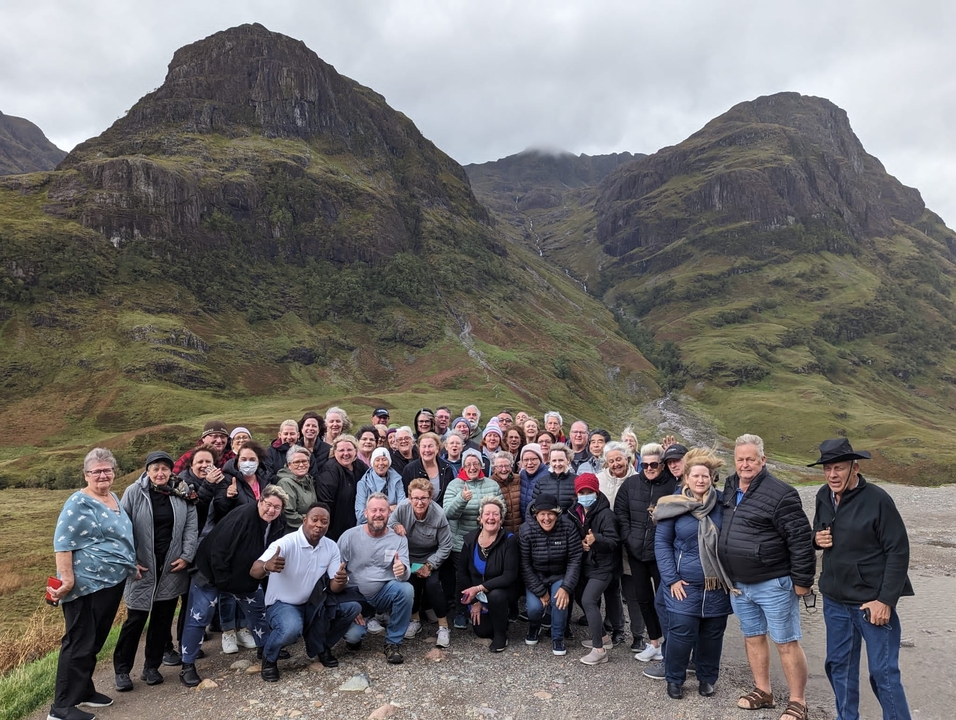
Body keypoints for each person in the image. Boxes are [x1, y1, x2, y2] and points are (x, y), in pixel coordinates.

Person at [810, 439, 913, 720]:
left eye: (839, 468)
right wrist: (816, 540)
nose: (832, 474)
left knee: (883, 673)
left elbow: (898, 551)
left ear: (855, 468)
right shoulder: (823, 495)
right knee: (838, 667)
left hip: (871, 603)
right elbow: (820, 532)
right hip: (835, 601)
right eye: (828, 468)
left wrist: (885, 600)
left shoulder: (878, 500)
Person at [717, 434, 815, 717]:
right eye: (740, 459)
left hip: (774, 582)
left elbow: (800, 540)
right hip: (739, 584)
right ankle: (764, 691)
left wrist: (803, 582)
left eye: (750, 459)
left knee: (786, 642)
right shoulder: (730, 486)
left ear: (763, 460)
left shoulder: (782, 493)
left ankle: (798, 701)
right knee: (753, 637)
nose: (744, 464)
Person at [49, 448, 139, 720]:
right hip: (85, 585)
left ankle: (84, 691)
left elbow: (119, 538)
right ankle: (61, 708)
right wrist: (66, 580)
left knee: (95, 640)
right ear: (86, 474)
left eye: (107, 469)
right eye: (96, 471)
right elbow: (63, 543)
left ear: (114, 472)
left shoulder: (113, 497)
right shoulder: (78, 502)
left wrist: (129, 563)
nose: (102, 474)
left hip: (111, 582)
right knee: (78, 642)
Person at [178, 486, 289, 687]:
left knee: (258, 611)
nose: (271, 510)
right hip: (211, 571)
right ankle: (187, 664)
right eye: (268, 504)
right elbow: (219, 552)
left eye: (277, 507)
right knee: (200, 615)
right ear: (260, 501)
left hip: (245, 575)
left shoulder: (278, 524)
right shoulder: (242, 518)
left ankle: (265, 647)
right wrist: (225, 584)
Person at [113, 451, 198, 692]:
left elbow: (191, 527)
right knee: (135, 620)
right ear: (147, 471)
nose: (160, 473)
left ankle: (151, 667)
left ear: (172, 471)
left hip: (171, 566)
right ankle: (122, 670)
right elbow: (122, 528)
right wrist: (129, 561)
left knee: (162, 620)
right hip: (142, 567)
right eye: (155, 469)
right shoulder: (133, 492)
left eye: (165, 469)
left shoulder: (183, 493)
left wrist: (186, 555)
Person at [654, 448, 734, 700]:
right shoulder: (673, 505)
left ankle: (707, 678)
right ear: (686, 478)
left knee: (712, 633)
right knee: (681, 632)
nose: (700, 480)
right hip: (683, 584)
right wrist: (671, 579)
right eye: (696, 476)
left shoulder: (723, 505)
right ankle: (674, 678)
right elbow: (662, 544)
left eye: (705, 476)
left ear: (712, 478)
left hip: (716, 584)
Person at [251, 503, 363, 681]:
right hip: (283, 603)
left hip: (313, 603)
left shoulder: (331, 546)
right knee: (290, 628)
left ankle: (322, 647)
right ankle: (269, 657)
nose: (319, 525)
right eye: (314, 520)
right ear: (304, 521)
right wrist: (266, 566)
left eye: (324, 521)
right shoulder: (286, 543)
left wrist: (339, 581)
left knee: (352, 607)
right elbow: (254, 570)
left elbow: (334, 587)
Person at [614, 442, 676, 663]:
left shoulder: (673, 485)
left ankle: (670, 643)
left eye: (654, 464)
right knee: (643, 599)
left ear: (662, 465)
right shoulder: (630, 485)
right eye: (645, 464)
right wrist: (628, 538)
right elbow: (620, 513)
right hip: (636, 552)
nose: (649, 468)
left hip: (662, 554)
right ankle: (654, 641)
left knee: (664, 599)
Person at [338, 494, 414, 664]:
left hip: (382, 593)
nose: (378, 514)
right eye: (374, 510)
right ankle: (355, 634)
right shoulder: (349, 536)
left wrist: (402, 570)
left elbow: (406, 573)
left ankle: (393, 643)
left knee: (406, 589)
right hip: (355, 597)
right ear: (366, 513)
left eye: (382, 510)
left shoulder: (398, 538)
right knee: (353, 637)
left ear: (389, 513)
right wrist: (350, 605)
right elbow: (335, 574)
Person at [443, 448, 504, 629]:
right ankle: (461, 611)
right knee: (462, 576)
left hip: (488, 539)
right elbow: (449, 513)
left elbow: (503, 510)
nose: (472, 467)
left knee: (484, 574)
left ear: (481, 465)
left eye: (475, 463)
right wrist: (462, 499)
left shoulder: (491, 484)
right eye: (468, 464)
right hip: (461, 540)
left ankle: (484, 607)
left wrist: (489, 517)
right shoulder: (455, 485)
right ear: (463, 466)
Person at [389, 479, 454, 646]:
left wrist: (430, 565)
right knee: (408, 583)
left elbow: (446, 545)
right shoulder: (402, 508)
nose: (419, 502)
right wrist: (395, 525)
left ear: (430, 498)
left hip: (430, 556)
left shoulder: (438, 515)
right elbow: (389, 525)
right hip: (408, 556)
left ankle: (443, 626)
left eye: (423, 498)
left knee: (432, 584)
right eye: (415, 498)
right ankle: (414, 619)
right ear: (409, 498)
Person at [567, 473, 621, 665]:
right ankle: (604, 638)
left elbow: (614, 542)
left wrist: (596, 539)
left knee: (589, 600)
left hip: (604, 566)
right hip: (585, 564)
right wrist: (581, 543)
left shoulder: (606, 514)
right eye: (582, 492)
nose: (585, 495)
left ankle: (599, 650)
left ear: (596, 492)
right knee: (581, 597)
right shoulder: (574, 511)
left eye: (589, 491)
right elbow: (572, 535)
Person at [519, 493, 582, 656]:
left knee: (560, 602)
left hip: (559, 575)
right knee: (534, 608)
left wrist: (566, 586)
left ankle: (558, 637)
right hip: (536, 576)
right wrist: (540, 591)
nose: (546, 518)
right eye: (542, 514)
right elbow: (524, 564)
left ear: (557, 513)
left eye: (550, 513)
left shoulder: (568, 527)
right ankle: (534, 626)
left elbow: (575, 558)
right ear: (536, 515)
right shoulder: (525, 530)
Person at [457, 496, 520, 653]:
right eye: (487, 514)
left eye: (495, 514)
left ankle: (501, 635)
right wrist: (474, 602)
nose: (491, 518)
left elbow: (509, 576)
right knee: (482, 632)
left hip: (503, 591)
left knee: (496, 596)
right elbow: (462, 573)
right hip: (478, 596)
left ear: (501, 518)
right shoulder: (470, 540)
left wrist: (479, 588)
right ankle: (495, 617)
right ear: (480, 518)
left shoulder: (509, 540)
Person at [597, 441, 642, 649]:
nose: (616, 463)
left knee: (633, 591)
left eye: (619, 459)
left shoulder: (638, 480)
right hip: (608, 544)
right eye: (611, 460)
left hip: (630, 545)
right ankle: (618, 630)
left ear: (628, 458)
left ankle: (638, 635)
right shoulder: (600, 480)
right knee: (612, 590)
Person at [316, 435, 368, 541]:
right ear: (334, 452)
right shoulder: (330, 470)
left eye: (349, 450)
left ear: (355, 451)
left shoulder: (359, 465)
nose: (346, 454)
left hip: (356, 523)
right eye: (341, 450)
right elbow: (326, 503)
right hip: (336, 527)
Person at [215, 441, 271, 522]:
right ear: (237, 460)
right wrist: (228, 497)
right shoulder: (227, 479)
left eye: (252, 460)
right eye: (243, 459)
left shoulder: (265, 478)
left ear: (258, 461)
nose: (247, 463)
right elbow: (219, 511)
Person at [401, 432, 455, 506]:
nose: (427, 450)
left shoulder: (447, 468)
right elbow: (407, 497)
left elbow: (450, 496)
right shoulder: (409, 469)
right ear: (419, 449)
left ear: (437, 448)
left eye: (430, 446)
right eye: (424, 446)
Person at [355, 447, 406, 523]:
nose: (381, 463)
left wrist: (373, 512)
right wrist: (390, 508)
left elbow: (403, 509)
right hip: (368, 528)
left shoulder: (397, 480)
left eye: (384, 459)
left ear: (389, 462)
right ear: (372, 463)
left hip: (393, 526)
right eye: (377, 460)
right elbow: (360, 515)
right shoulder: (363, 484)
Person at [274, 445, 317, 530]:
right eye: (297, 462)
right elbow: (288, 514)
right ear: (289, 465)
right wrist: (312, 520)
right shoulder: (285, 483)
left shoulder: (308, 479)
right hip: (293, 532)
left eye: (304, 461)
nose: (301, 465)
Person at [529, 442, 577, 514]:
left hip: (571, 523)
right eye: (554, 460)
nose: (557, 464)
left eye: (561, 460)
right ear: (550, 462)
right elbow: (534, 507)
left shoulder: (577, 480)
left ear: (568, 460)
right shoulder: (541, 482)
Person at [490, 451, 521, 534]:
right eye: (500, 466)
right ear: (494, 468)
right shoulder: (490, 483)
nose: (504, 469)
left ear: (511, 467)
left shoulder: (518, 479)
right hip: (501, 532)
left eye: (507, 466)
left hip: (520, 530)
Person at [518, 443, 548, 519]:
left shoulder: (547, 475)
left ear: (540, 459)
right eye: (526, 460)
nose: (529, 463)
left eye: (533, 459)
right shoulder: (522, 474)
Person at [299, 411, 332, 477]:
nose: (310, 428)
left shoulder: (329, 450)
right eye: (307, 425)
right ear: (302, 429)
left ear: (319, 430)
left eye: (314, 426)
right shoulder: (294, 449)